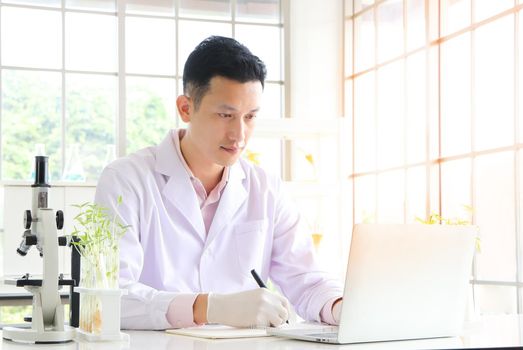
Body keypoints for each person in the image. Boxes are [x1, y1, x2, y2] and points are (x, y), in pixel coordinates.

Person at [95, 36, 343, 330]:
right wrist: (207, 308)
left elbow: (307, 281)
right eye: (225, 115)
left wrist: (342, 309)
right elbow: (109, 298)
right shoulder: (126, 181)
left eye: (250, 117)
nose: (239, 135)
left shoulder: (266, 189)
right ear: (186, 108)